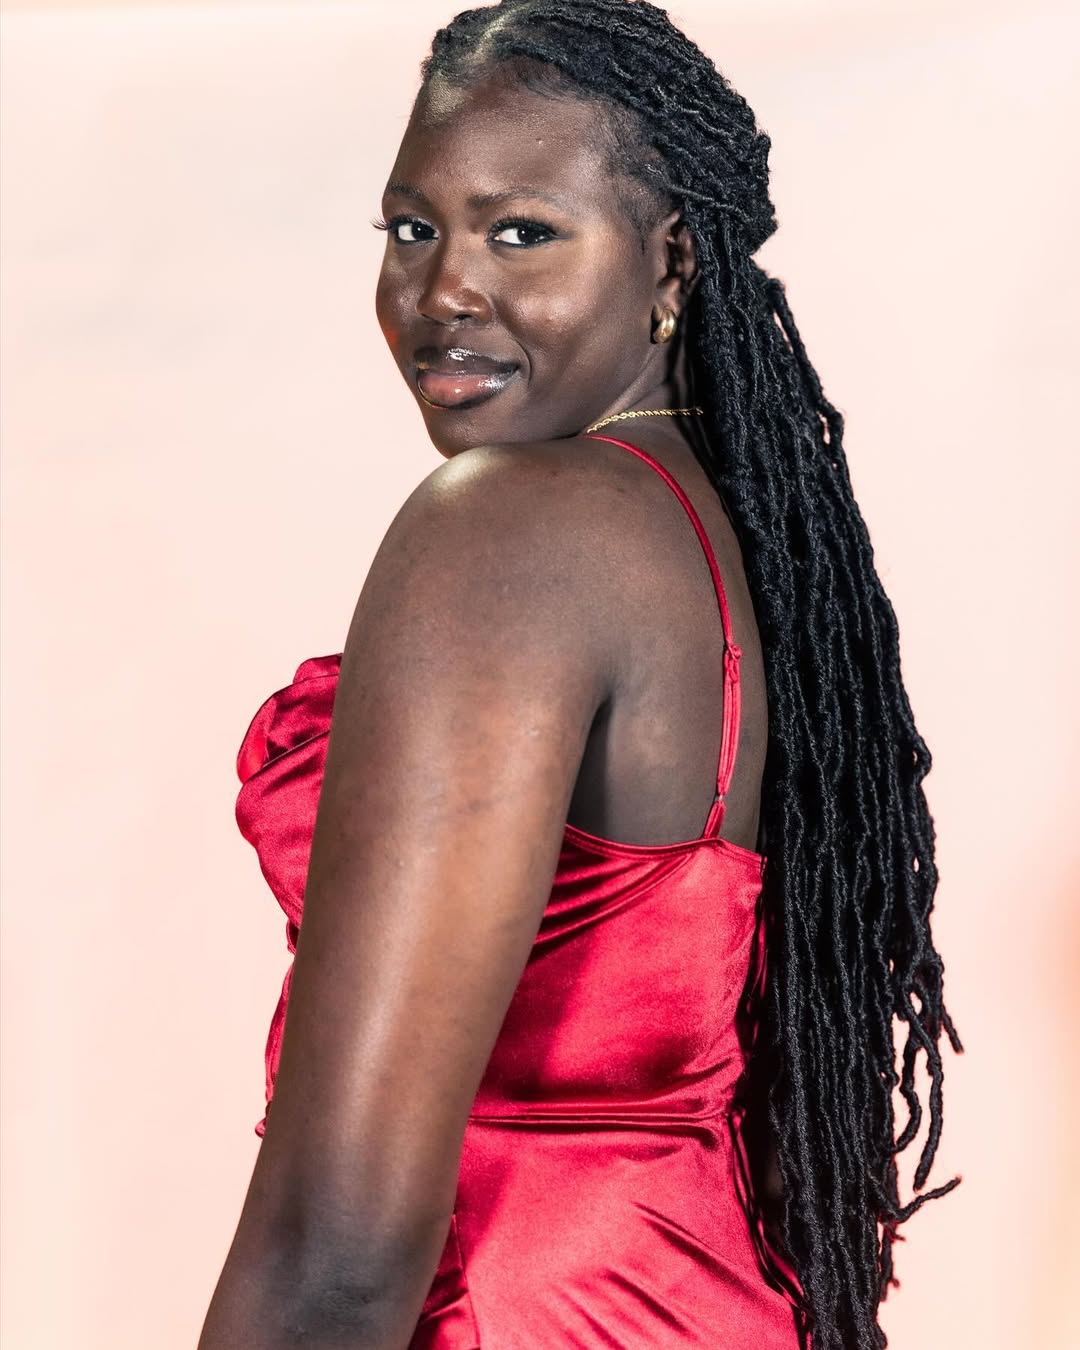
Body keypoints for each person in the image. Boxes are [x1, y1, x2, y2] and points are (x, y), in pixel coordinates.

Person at [198, 2, 961, 1347]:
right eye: (411, 229)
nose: (443, 290)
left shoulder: (510, 528)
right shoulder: (711, 527)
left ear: (669, 262)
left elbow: (339, 1247)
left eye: (521, 233)